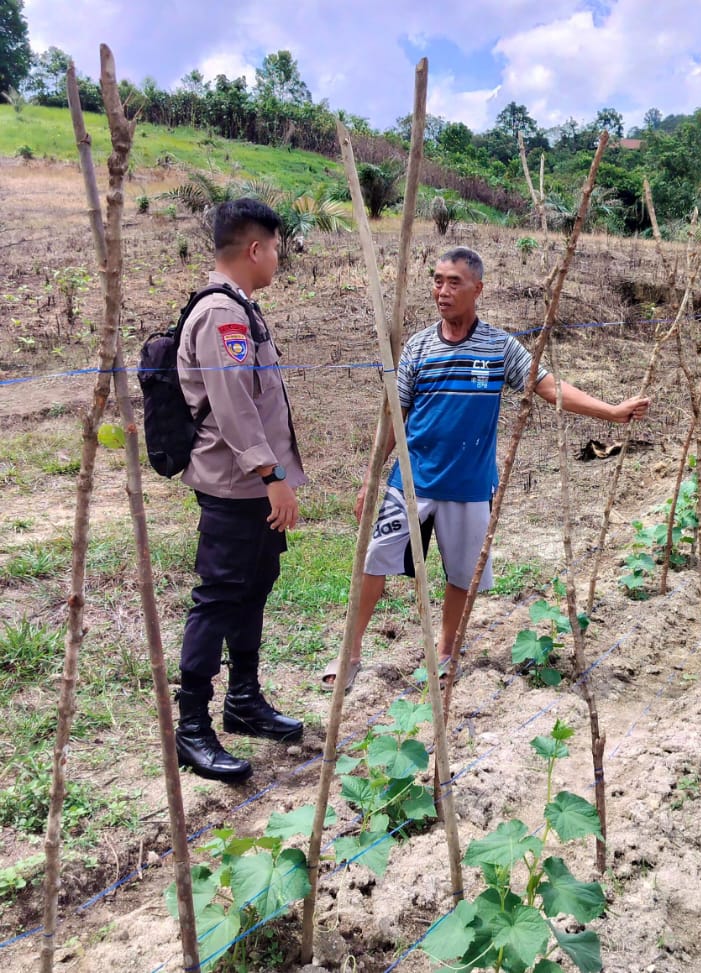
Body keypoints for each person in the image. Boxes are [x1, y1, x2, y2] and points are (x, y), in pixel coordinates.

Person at [322, 246, 649, 689]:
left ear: (478, 288)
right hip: (411, 483)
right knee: (374, 563)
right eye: (437, 281)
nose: (442, 291)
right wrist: (370, 479)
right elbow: (391, 419)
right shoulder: (418, 347)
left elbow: (548, 386)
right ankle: (352, 654)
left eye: (453, 282)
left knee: (461, 575)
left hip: (471, 487)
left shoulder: (499, 348)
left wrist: (609, 412)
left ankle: (445, 653)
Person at [174, 198, 307, 783]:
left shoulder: (243, 310)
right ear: (254, 250)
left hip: (251, 487)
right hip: (236, 488)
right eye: (276, 247)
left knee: (253, 589)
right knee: (220, 596)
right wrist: (273, 477)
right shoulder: (222, 316)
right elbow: (233, 409)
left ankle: (244, 701)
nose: (279, 257)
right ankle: (192, 727)